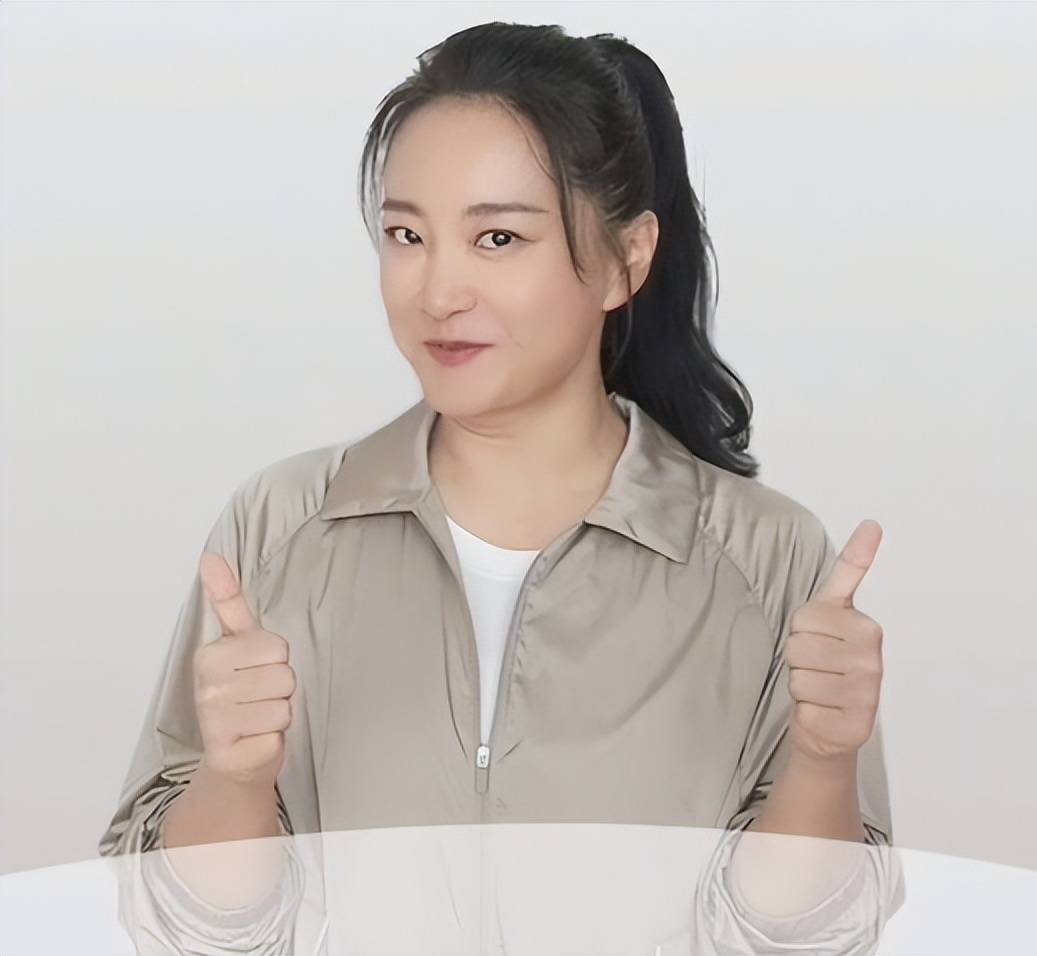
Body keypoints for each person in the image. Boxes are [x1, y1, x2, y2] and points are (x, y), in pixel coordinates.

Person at [98, 22, 904, 954]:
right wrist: (234, 782)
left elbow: (797, 942)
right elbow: (185, 932)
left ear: (627, 257)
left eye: (497, 237)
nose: (438, 291)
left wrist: (823, 763)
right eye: (407, 234)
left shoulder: (765, 559)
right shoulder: (280, 527)